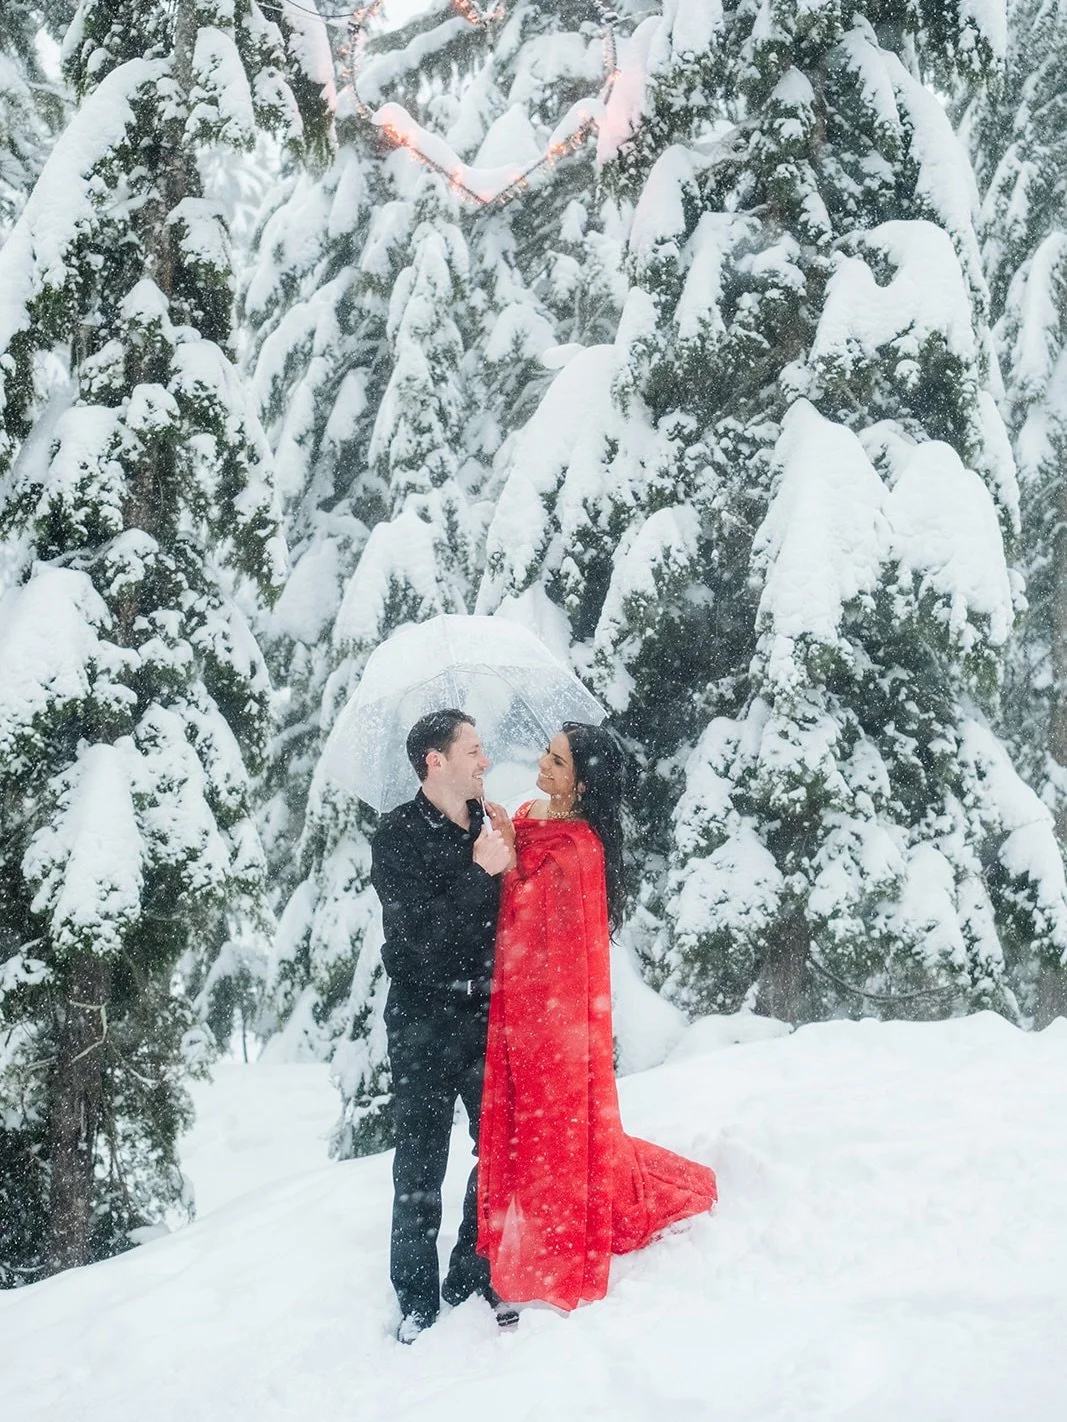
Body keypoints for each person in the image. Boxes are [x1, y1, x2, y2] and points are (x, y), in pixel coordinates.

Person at [477, 722, 717, 1312]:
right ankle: (543, 1204)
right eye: (548, 752)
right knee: (531, 1120)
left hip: (553, 1007)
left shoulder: (579, 846)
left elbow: (537, 920)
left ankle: (558, 1224)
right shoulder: (535, 810)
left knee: (554, 1122)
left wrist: (506, 865)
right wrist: (510, 840)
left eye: (557, 761)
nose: (543, 763)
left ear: (582, 785)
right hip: (521, 999)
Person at [370, 708, 516, 1343]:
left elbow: (507, 926)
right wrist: (478, 872)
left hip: (486, 1015)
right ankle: (417, 1302)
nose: (485, 761)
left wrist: (514, 866)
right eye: (474, 751)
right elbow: (415, 945)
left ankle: (470, 1273)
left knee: (502, 1152)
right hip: (424, 1021)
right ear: (437, 761)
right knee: (421, 1162)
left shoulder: (488, 825)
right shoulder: (397, 835)